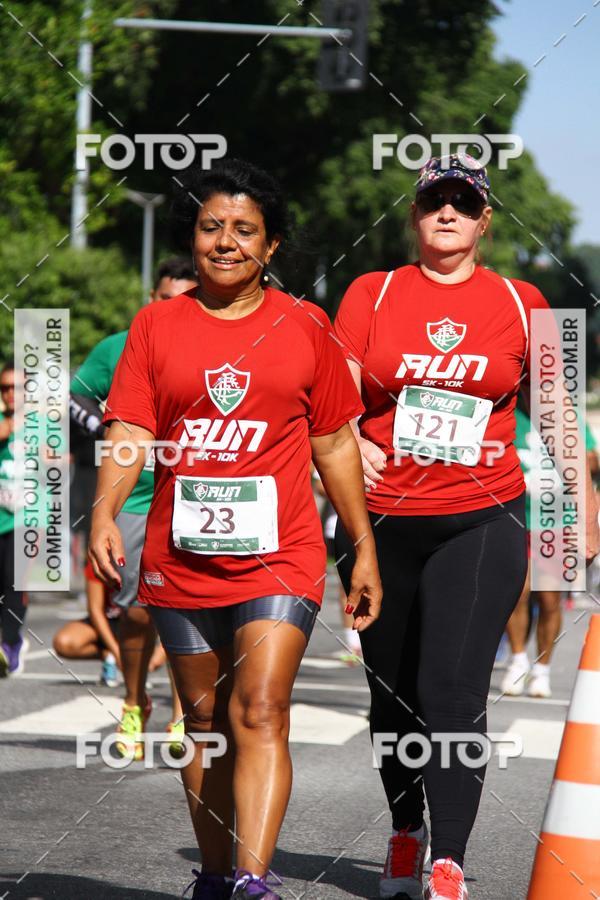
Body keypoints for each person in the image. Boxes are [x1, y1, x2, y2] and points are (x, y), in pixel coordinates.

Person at [89, 158, 382, 900]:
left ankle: (254, 878)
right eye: (210, 226)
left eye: (244, 229)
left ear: (271, 244)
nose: (225, 241)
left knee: (261, 709)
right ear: (192, 237)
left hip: (280, 553)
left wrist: (362, 545)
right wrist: (103, 511)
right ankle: (216, 876)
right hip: (180, 556)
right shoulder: (156, 325)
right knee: (205, 720)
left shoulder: (305, 325)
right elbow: (131, 429)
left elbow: (333, 443)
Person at [333, 154, 600, 900]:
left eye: (462, 202)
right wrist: (352, 443)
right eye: (433, 201)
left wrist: (585, 502)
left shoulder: (521, 300)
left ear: (484, 220)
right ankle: (405, 830)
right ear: (415, 216)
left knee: (451, 691)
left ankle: (448, 861)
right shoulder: (372, 292)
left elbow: (553, 408)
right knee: (392, 695)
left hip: (481, 520)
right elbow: (334, 398)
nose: (446, 212)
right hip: (381, 525)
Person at [70, 257, 196, 757]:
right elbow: (74, 398)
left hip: (194, 495)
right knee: (139, 613)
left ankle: (184, 716)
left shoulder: (213, 343)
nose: (173, 309)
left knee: (190, 610)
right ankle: (133, 702)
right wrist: (110, 429)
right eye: (165, 299)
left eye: (183, 300)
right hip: (136, 498)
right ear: (151, 298)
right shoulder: (119, 346)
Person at [502, 408, 600, 698]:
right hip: (515, 516)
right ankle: (518, 661)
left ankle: (542, 670)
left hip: (555, 520)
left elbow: (592, 459)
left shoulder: (567, 415)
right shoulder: (509, 412)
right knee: (517, 591)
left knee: (549, 599)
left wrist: (571, 462)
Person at [0, 360, 28, 677]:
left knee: (14, 580)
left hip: (28, 518)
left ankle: (10, 644)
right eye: (4, 388)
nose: (10, 393)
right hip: (1, 515)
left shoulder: (43, 425)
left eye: (16, 387)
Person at [53, 560, 121, 687]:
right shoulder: (100, 559)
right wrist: (116, 652)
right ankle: (110, 656)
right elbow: (95, 610)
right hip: (108, 618)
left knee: (154, 658)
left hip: (138, 624)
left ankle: (138, 663)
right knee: (63, 642)